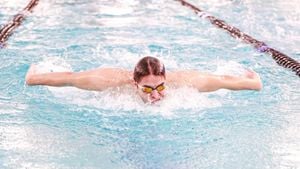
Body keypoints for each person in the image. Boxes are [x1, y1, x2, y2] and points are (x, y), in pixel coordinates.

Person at [25, 56, 262, 104]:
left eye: (160, 87)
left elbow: (223, 80)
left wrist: (252, 81)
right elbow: (70, 79)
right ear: (134, 84)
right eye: (147, 89)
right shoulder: (106, 81)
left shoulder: (189, 82)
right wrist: (34, 78)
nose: (156, 95)